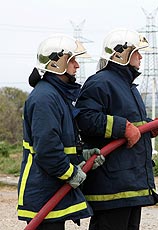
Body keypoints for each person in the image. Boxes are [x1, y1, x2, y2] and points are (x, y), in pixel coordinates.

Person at [75, 28, 158, 230]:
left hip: (129, 183)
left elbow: (134, 125)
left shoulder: (126, 85)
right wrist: (122, 127)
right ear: (121, 54)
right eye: (136, 52)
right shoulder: (101, 82)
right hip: (112, 184)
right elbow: (85, 119)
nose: (141, 57)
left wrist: (155, 126)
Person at [17, 34, 105, 230]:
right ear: (57, 63)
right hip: (43, 192)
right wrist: (70, 172)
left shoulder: (55, 95)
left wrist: (82, 156)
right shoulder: (45, 99)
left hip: (50, 190)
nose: (77, 65)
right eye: (72, 59)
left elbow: (62, 143)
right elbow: (48, 150)